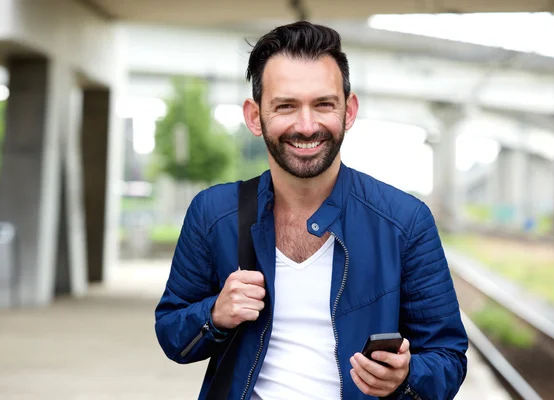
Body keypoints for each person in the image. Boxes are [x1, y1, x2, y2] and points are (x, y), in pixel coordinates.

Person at [155, 21, 468, 400]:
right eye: (286, 106)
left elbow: (448, 357)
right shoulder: (212, 213)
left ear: (348, 112)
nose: (306, 125)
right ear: (255, 116)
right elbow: (172, 334)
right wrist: (215, 315)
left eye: (323, 104)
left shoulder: (406, 221)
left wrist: (407, 375)